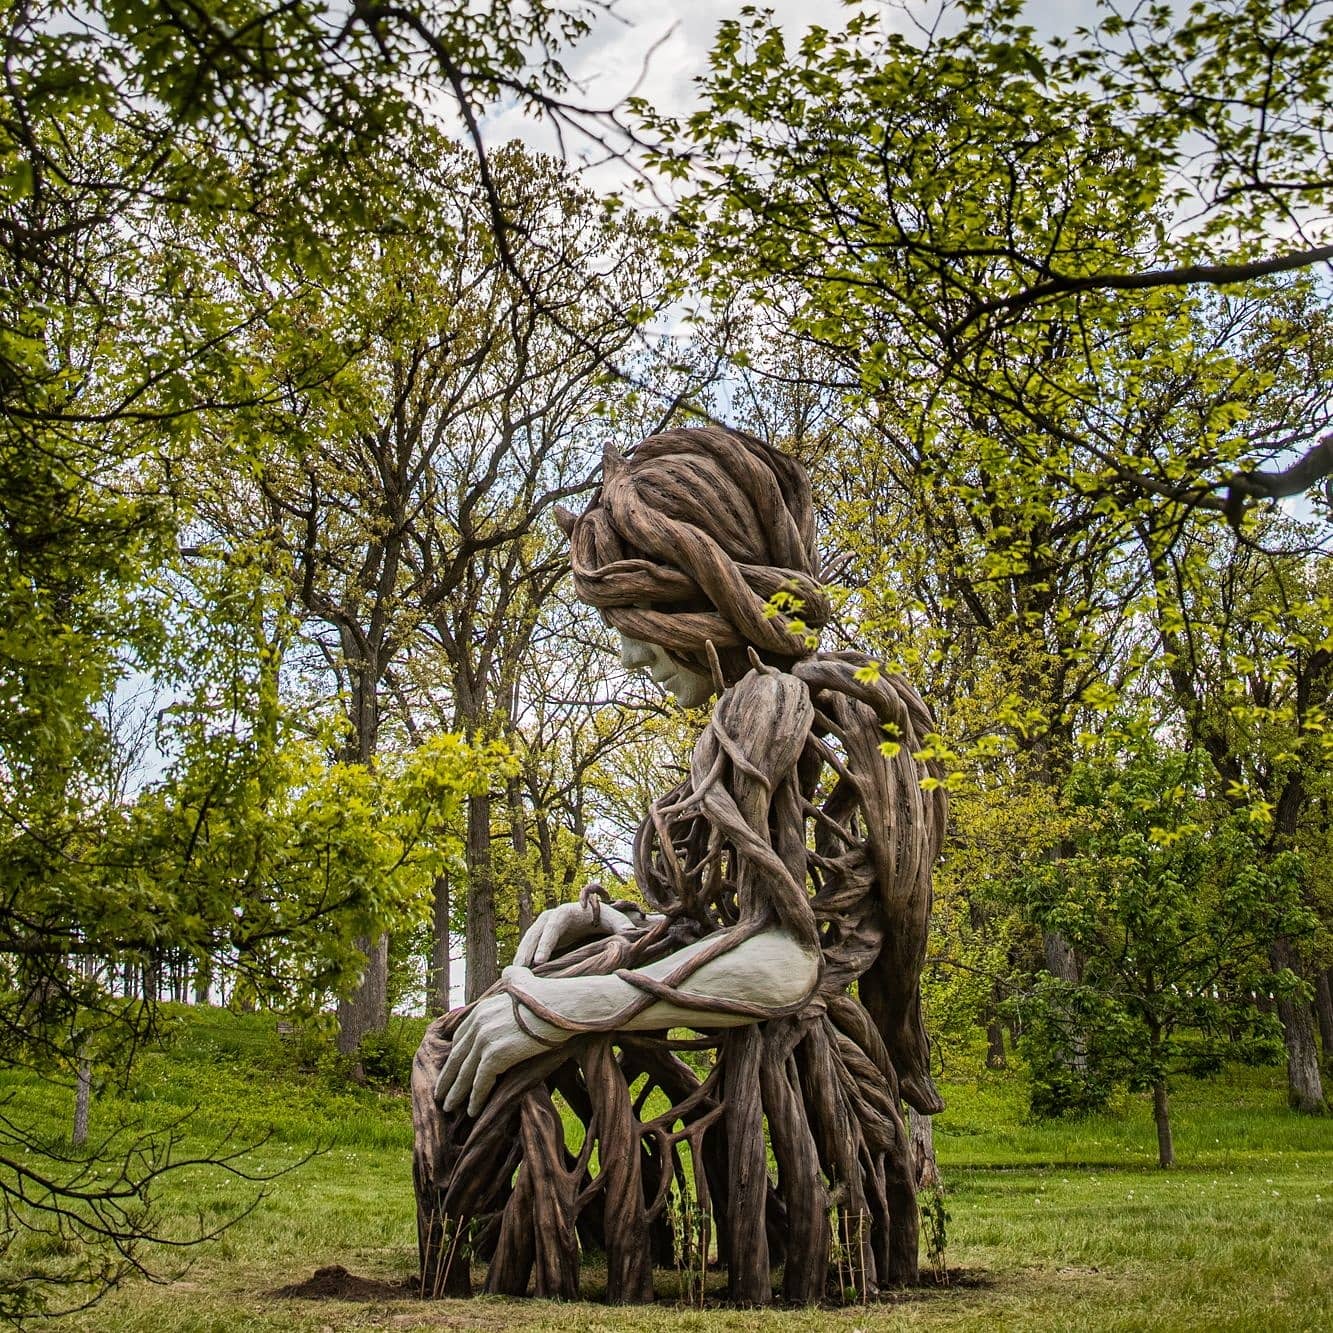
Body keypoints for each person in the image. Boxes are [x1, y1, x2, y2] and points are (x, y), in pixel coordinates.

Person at [412, 426, 946, 1305]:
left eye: (633, 626)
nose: (625, 656)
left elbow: (785, 961)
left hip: (785, 1042)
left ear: (700, 604)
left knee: (486, 1034)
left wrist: (560, 1006)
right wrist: (608, 924)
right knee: (472, 1026)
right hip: (747, 1003)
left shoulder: (772, 710)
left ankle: (589, 1251)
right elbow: (728, 924)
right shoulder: (776, 713)